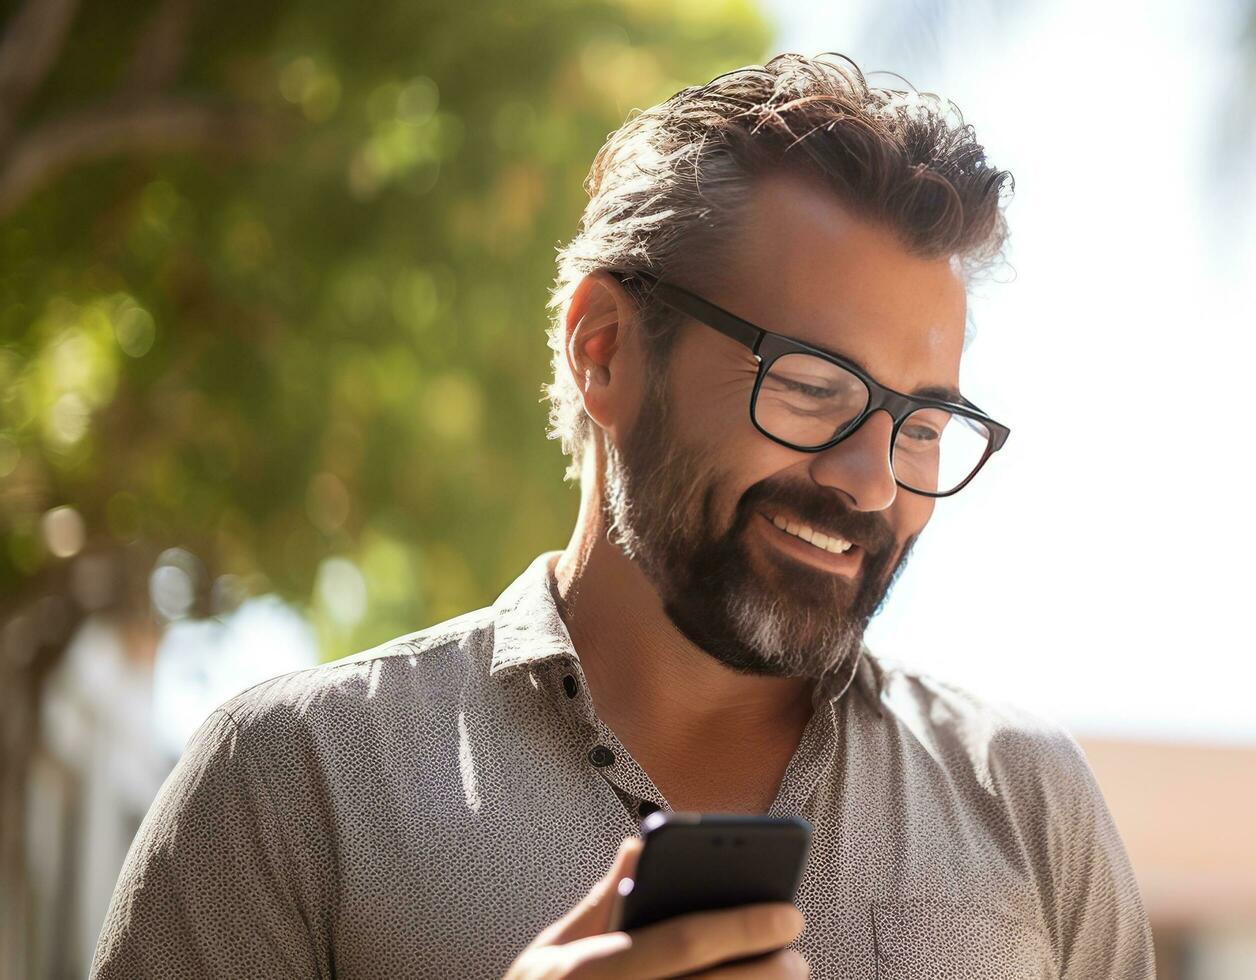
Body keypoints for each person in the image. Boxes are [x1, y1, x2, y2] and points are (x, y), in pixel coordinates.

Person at [91, 53, 1154, 980]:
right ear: (603, 348)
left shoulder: (1025, 799)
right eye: (811, 383)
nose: (872, 481)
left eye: (922, 424)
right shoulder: (291, 781)